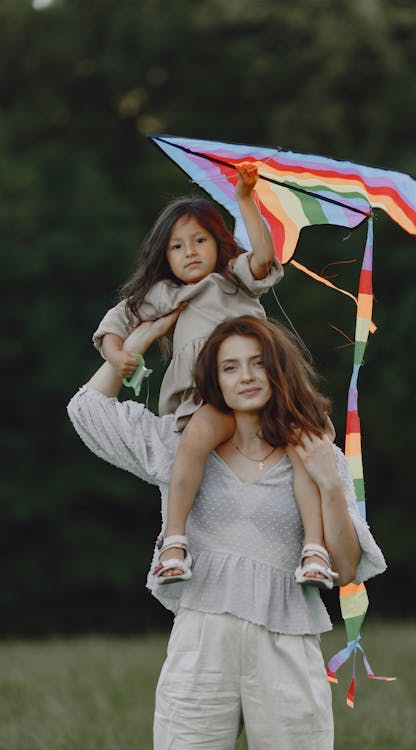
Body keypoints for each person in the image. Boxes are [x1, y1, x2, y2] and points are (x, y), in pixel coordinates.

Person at [68, 312, 386, 749]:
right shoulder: (182, 448)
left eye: (258, 363)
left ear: (279, 369)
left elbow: (346, 568)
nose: (247, 376)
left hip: (287, 643)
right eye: (230, 367)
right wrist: (134, 344)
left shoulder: (315, 451)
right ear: (214, 381)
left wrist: (329, 482)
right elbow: (86, 411)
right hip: (202, 642)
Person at [92, 163, 336, 588]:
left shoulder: (233, 278)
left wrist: (245, 199)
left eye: (200, 240)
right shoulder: (165, 294)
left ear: (219, 242)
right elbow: (115, 324)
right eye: (177, 246)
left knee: (303, 449)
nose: (190, 252)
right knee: (194, 441)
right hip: (209, 399)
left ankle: (314, 551)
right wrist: (118, 358)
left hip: (266, 391)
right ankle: (174, 540)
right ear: (163, 256)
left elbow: (263, 258)